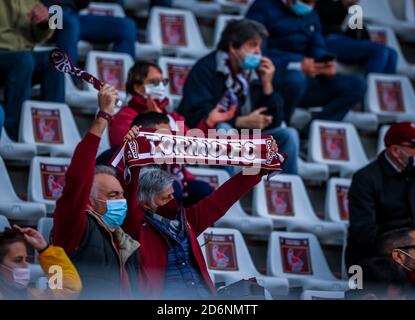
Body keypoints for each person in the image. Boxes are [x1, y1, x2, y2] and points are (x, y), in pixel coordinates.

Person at [121, 125, 279, 299]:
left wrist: (261, 166)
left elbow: (224, 197)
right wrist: (134, 161)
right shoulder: (135, 228)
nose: (171, 200)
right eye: (164, 198)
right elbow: (130, 194)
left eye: (171, 194)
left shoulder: (186, 220)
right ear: (144, 202)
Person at [52, 84, 140, 299]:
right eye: (112, 195)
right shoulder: (75, 228)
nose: (122, 201)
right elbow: (78, 178)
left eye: (121, 195)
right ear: (88, 202)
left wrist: (135, 149)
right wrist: (104, 116)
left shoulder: (125, 241)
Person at [178, 19, 299, 174]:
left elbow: (275, 122)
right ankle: (227, 193)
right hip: (206, 137)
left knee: (289, 135)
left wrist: (268, 85)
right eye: (252, 45)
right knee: (224, 130)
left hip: (246, 139)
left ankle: (279, 193)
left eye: (259, 46)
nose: (258, 52)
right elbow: (195, 113)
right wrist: (240, 122)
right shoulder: (205, 68)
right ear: (233, 47)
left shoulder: (255, 73)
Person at [246, 0, 366, 126]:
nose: (309, 6)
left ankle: (310, 134)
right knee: (295, 78)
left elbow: (317, 44)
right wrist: (297, 64)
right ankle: (278, 127)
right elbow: (254, 53)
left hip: (306, 80)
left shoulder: (311, 12)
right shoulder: (263, 7)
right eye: (307, 1)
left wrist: (324, 63)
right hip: (274, 77)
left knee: (357, 84)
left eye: (313, 2)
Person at [109, 61, 236, 147]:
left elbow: (191, 146)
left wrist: (207, 123)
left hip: (178, 176)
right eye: (154, 82)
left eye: (162, 82)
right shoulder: (124, 117)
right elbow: (130, 150)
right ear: (137, 87)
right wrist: (156, 124)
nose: (160, 86)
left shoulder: (173, 117)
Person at [346, 122, 415, 268]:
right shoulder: (365, 179)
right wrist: (405, 239)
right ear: (396, 150)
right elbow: (363, 235)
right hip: (368, 259)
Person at [0, 0, 64, 141]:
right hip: (9, 55)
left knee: (56, 58)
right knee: (23, 61)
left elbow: (44, 35)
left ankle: (53, 134)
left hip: (21, 55)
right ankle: (12, 135)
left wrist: (44, 22)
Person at [316, 0, 397, 75]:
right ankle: (370, 87)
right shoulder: (324, 3)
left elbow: (360, 34)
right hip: (327, 40)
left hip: (346, 41)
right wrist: (343, 3)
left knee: (392, 53)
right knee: (380, 50)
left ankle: (378, 84)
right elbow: (323, 16)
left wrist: (354, 13)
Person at [42, 0, 136, 65]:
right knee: (70, 24)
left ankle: (126, 87)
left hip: (73, 15)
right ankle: (67, 84)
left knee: (126, 27)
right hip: (48, 14)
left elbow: (82, 4)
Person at [0, 226, 82, 300]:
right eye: (18, 260)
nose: (26, 265)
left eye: (26, 259)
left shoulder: (33, 296)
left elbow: (67, 287)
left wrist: (44, 249)